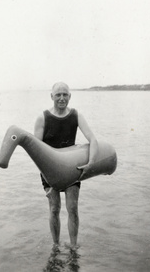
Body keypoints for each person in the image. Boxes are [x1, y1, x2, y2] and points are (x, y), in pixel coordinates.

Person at [34, 82, 98, 249]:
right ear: (52, 96)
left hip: (72, 168)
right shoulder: (42, 118)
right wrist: (44, 175)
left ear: (70, 96)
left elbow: (93, 140)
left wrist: (91, 163)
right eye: (58, 95)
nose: (61, 98)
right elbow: (36, 151)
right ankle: (55, 246)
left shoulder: (76, 115)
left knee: (72, 208)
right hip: (49, 171)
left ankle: (74, 247)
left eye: (65, 95)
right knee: (54, 208)